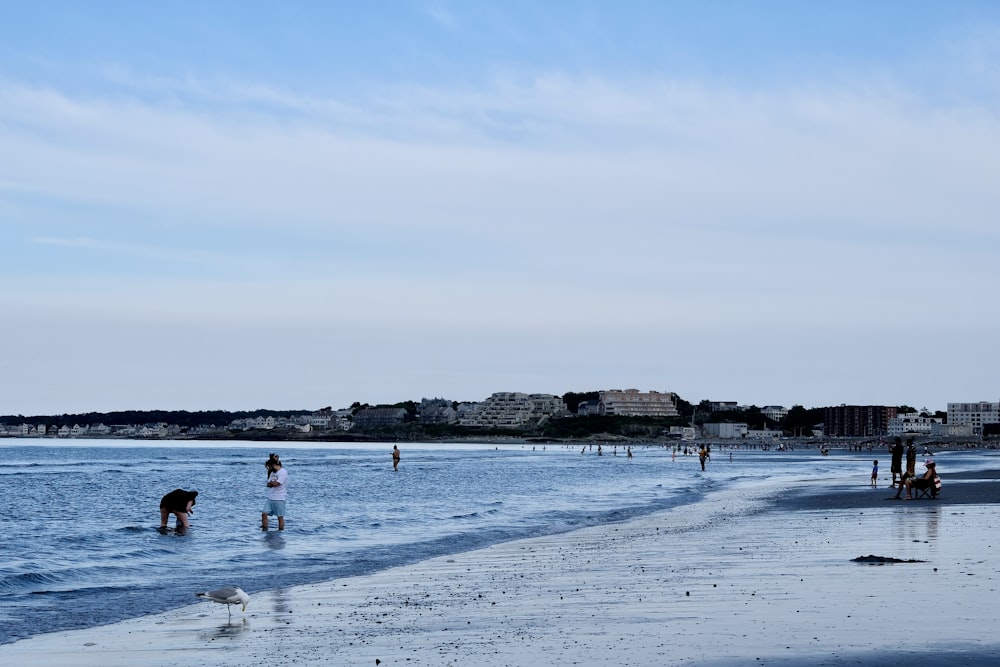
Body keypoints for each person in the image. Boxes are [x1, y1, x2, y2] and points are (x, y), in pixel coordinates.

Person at [261, 457, 288, 531]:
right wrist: (272, 483)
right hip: (270, 497)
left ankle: (281, 532)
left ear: (273, 465)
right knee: (264, 514)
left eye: (269, 466)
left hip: (280, 498)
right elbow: (268, 484)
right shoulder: (272, 472)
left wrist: (272, 483)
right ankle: (264, 530)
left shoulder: (283, 472)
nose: (269, 469)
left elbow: (276, 484)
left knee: (280, 517)